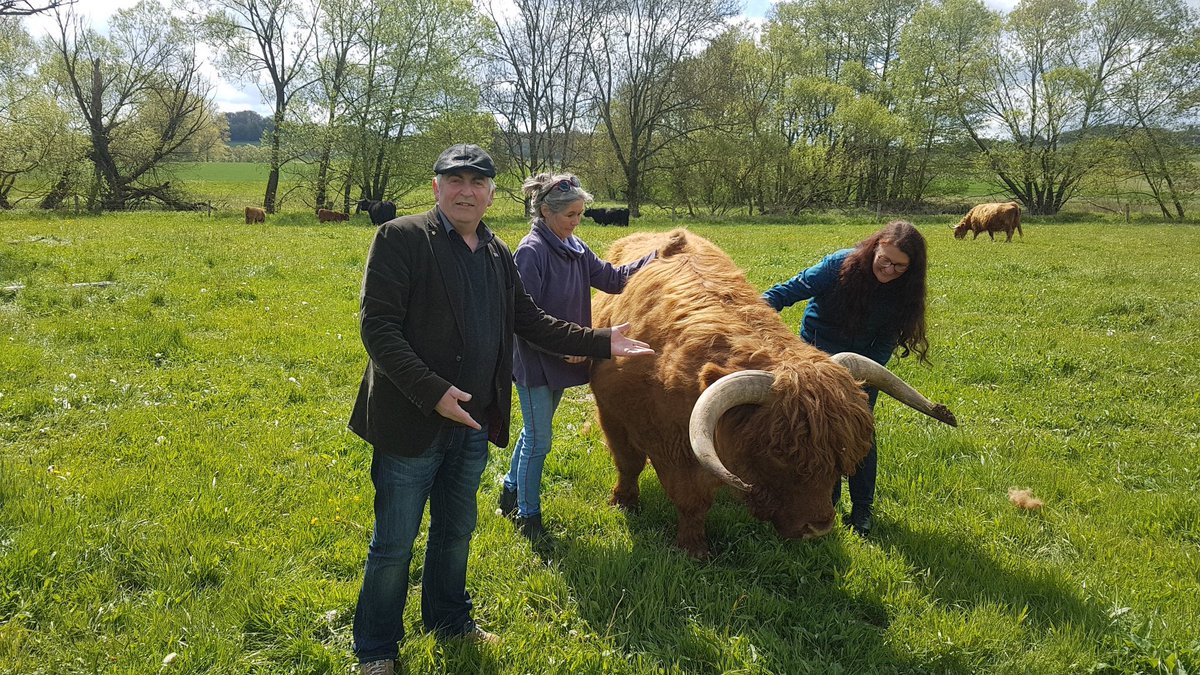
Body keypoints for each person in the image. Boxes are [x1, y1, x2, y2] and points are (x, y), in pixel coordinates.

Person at [347, 144, 655, 675]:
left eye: (478, 182)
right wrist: (433, 391)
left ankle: (448, 618)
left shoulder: (495, 254)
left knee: (456, 528)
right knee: (394, 542)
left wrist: (602, 341)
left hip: (474, 418)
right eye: (456, 180)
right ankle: (377, 648)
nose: (467, 191)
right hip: (411, 417)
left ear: (492, 193)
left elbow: (531, 321)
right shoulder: (399, 239)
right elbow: (378, 327)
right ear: (437, 187)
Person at [498, 173, 656, 542]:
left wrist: (653, 258)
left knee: (533, 432)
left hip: (567, 355)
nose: (577, 221)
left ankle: (509, 488)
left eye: (580, 214)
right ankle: (528, 514)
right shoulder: (531, 252)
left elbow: (614, 280)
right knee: (539, 440)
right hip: (538, 360)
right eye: (570, 214)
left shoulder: (575, 246)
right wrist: (567, 347)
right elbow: (525, 319)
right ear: (544, 212)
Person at [761, 220, 929, 538]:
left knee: (860, 432)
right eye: (885, 259)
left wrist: (861, 378)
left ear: (911, 267)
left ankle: (863, 509)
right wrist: (751, 315)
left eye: (900, 265)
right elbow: (787, 291)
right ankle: (829, 499)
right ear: (874, 248)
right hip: (815, 357)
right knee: (816, 430)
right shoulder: (839, 265)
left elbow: (884, 344)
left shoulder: (904, 293)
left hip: (861, 369)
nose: (890, 269)